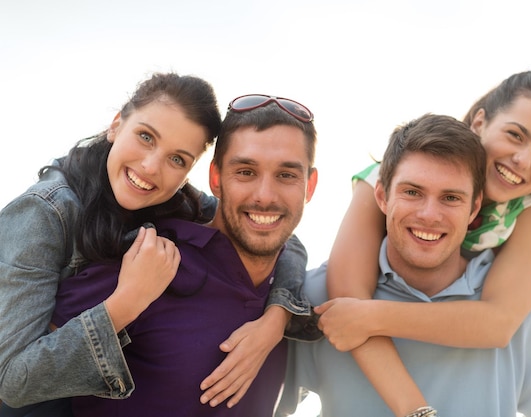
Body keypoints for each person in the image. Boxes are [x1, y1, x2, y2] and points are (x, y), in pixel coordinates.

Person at [0, 77, 312, 415]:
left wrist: (276, 318)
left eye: (177, 159)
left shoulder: (174, 199)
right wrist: (128, 301)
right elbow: (12, 381)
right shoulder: (46, 211)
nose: (151, 167)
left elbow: (274, 234)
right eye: (145, 137)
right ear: (117, 124)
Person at [317, 70, 531, 414]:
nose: (523, 160)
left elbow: (497, 324)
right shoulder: (398, 176)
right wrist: (415, 409)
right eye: (515, 135)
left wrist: (374, 315)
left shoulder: (528, 212)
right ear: (480, 122)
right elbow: (346, 302)